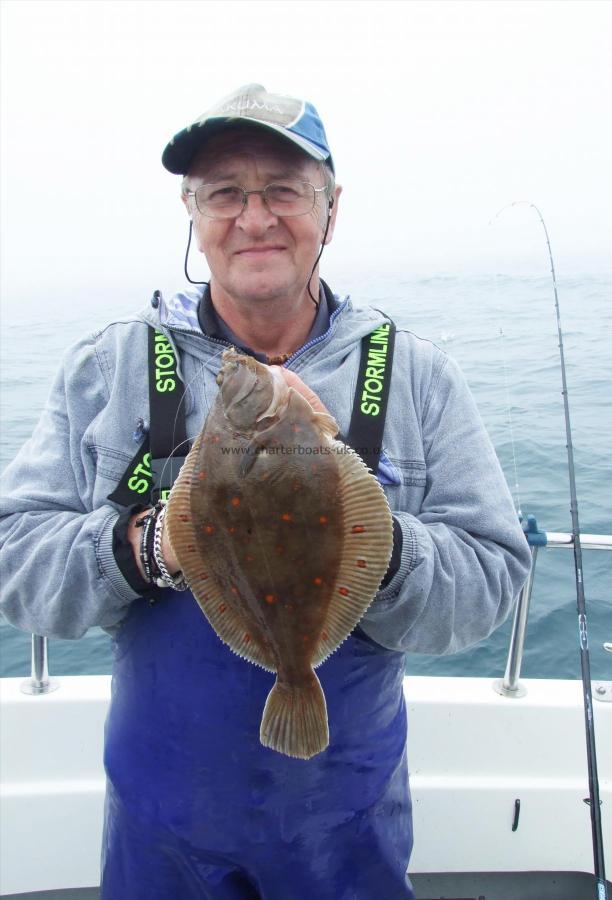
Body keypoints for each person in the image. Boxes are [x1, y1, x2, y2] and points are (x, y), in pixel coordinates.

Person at [0, 84, 531, 899]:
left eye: (283, 189)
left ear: (331, 206)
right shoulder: (109, 366)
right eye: (224, 194)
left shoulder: (417, 375)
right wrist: (154, 544)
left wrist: (370, 542)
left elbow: (493, 576)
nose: (254, 219)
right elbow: (14, 561)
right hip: (161, 818)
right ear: (193, 215)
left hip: (346, 816)